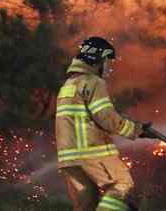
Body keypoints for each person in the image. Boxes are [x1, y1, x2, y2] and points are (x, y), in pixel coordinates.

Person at [55, 36, 150, 211]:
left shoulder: (67, 86)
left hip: (69, 159)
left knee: (86, 205)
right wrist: (137, 130)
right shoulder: (92, 82)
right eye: (107, 61)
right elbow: (106, 118)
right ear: (98, 60)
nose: (108, 66)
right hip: (92, 152)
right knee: (123, 187)